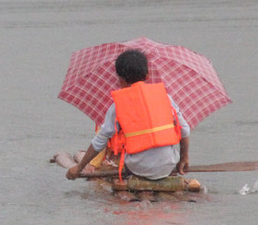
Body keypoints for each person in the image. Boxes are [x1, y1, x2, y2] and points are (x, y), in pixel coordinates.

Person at [66, 49, 190, 181]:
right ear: (147, 75)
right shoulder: (166, 98)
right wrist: (184, 158)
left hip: (138, 169)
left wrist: (79, 168)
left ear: (120, 79)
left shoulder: (117, 106)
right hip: (168, 166)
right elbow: (185, 130)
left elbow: (99, 142)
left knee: (117, 153)